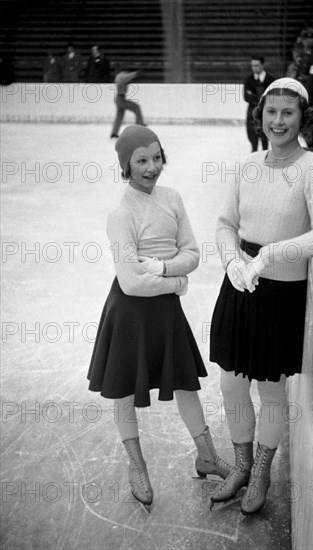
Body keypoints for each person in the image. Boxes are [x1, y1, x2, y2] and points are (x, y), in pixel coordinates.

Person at [209, 77, 313, 514]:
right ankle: (242, 465)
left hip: (280, 293)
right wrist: (232, 260)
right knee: (231, 384)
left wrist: (271, 254)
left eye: (287, 112)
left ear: (302, 117)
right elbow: (226, 223)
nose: (278, 120)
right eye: (271, 111)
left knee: (270, 392)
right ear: (260, 115)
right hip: (239, 285)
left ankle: (263, 472)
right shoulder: (247, 165)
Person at [87, 125, 232, 509]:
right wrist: (177, 283)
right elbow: (131, 282)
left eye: (156, 157)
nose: (152, 167)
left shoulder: (172, 198)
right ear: (126, 166)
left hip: (166, 311)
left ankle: (207, 455)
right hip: (130, 314)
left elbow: (192, 253)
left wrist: (166, 271)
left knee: (186, 383)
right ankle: (137, 466)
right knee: (122, 389)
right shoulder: (121, 214)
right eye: (141, 161)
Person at [243, 56, 275, 152]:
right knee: (252, 136)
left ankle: (265, 156)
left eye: (256, 65)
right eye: (252, 65)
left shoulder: (271, 79)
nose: (254, 68)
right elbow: (246, 97)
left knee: (265, 137)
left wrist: (254, 96)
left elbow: (273, 95)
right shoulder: (248, 79)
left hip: (267, 112)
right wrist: (261, 97)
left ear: (262, 65)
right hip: (252, 111)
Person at [110, 67, 145, 138]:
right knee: (136, 107)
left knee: (119, 116)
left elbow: (127, 78)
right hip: (121, 100)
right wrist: (136, 73)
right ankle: (140, 126)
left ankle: (114, 133)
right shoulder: (122, 76)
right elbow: (127, 77)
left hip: (119, 99)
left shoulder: (119, 77)